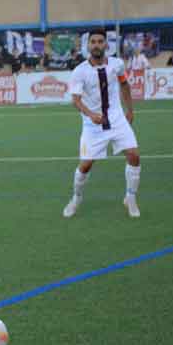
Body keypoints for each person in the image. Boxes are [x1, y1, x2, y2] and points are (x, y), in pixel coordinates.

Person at [63, 28, 141, 219]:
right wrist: (90, 115)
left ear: (106, 45)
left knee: (134, 155)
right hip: (93, 125)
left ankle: (130, 198)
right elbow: (75, 99)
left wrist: (130, 110)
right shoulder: (80, 71)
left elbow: (124, 84)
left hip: (116, 119)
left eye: (100, 41)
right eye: (93, 42)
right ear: (88, 45)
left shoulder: (117, 64)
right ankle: (76, 198)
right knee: (86, 165)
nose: (97, 45)